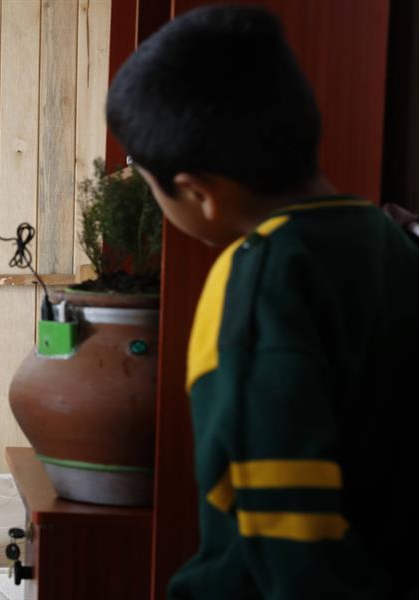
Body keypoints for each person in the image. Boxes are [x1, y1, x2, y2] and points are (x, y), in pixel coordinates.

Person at [106, 5, 419, 599]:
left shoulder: (257, 278)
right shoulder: (387, 238)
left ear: (198, 193)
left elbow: (288, 522)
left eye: (149, 184)